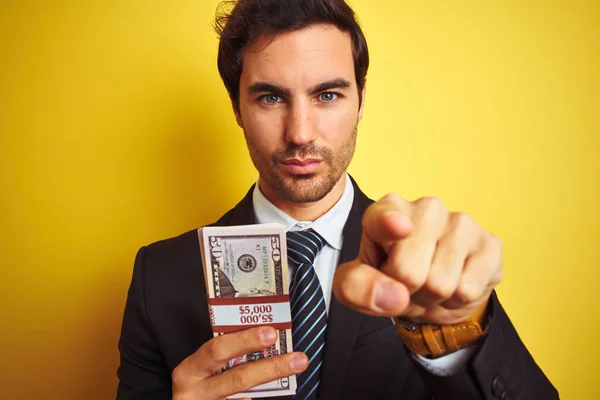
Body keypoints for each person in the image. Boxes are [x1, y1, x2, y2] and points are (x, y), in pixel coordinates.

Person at [116, 0, 558, 399]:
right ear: (236, 107)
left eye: (327, 95)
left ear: (361, 101)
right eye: (270, 97)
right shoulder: (159, 279)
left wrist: (457, 337)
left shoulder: (426, 264)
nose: (301, 133)